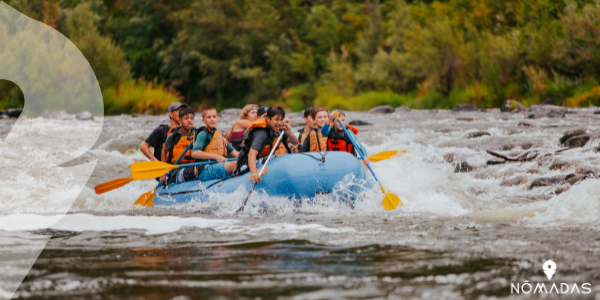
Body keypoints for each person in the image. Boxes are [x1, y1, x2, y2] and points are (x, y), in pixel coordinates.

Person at [167, 107, 241, 183]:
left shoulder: (220, 136)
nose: (212, 119)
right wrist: (216, 157)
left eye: (214, 117)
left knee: (241, 164)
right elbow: (194, 153)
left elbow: (235, 154)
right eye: (209, 117)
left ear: (217, 118)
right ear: (203, 120)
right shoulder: (203, 134)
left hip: (218, 166)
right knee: (233, 165)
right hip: (205, 170)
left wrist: (249, 155)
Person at [235, 106, 294, 183]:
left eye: (281, 120)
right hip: (244, 166)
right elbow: (252, 153)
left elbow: (294, 142)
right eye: (276, 119)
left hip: (261, 159)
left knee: (288, 153)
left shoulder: (277, 129)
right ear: (268, 119)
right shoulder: (261, 133)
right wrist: (254, 173)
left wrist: (289, 132)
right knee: (282, 155)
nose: (279, 122)